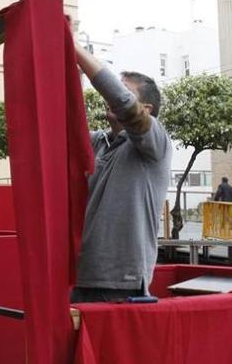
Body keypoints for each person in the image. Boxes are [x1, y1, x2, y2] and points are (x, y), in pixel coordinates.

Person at [71, 42, 172, 303]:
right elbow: (62, 123)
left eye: (124, 91)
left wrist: (76, 49)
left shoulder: (155, 144)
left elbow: (124, 105)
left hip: (121, 281)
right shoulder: (97, 142)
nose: (111, 96)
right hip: (81, 274)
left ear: (147, 110)